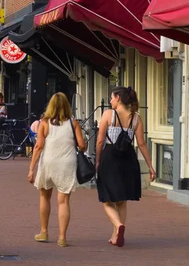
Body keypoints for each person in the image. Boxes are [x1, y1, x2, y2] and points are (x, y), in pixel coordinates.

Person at [95, 86, 155, 248]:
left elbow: (100, 140)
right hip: (128, 159)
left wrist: (98, 160)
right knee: (122, 200)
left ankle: (118, 225)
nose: (110, 101)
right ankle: (115, 235)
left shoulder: (108, 115)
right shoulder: (136, 118)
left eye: (112, 98)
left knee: (106, 198)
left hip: (110, 158)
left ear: (118, 99)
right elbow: (141, 144)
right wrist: (150, 167)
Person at [28, 92, 86, 247]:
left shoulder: (44, 123)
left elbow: (39, 146)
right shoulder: (73, 123)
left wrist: (31, 169)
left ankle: (44, 231)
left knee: (44, 197)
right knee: (63, 201)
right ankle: (62, 237)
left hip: (48, 162)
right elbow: (82, 145)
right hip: (67, 164)